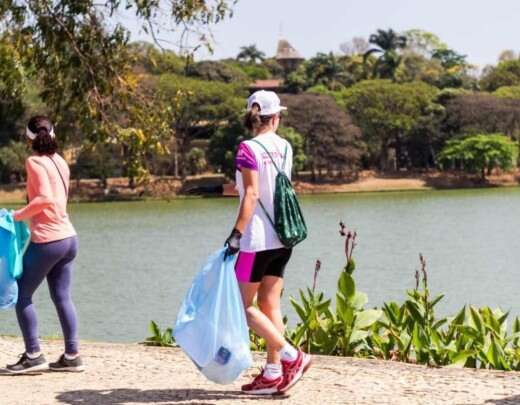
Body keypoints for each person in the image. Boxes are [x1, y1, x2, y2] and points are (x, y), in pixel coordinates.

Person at [225, 90, 311, 395]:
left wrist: (235, 234)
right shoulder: (286, 147)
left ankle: (290, 355)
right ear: (275, 117)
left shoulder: (247, 148)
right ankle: (273, 372)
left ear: (252, 116)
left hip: (254, 241)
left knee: (241, 305)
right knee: (270, 304)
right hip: (283, 237)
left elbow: (252, 194)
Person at [6, 116, 83, 374]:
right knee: (62, 297)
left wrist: (16, 215)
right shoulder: (61, 161)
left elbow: (44, 199)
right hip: (69, 238)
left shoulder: (34, 161)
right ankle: (72, 356)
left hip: (49, 240)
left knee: (21, 293)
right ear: (52, 133)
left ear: (29, 138)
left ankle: (33, 354)